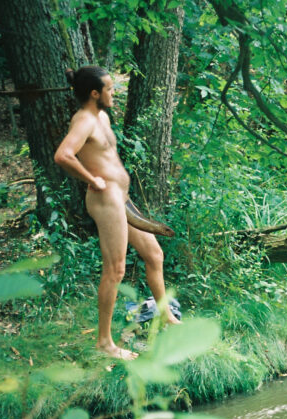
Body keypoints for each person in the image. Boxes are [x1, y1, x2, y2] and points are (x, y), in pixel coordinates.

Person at [53, 65, 179, 360]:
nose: (114, 92)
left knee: (154, 255)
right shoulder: (84, 121)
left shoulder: (103, 117)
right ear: (94, 93)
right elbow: (63, 155)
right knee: (116, 269)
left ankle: (166, 317)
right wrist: (92, 179)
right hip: (106, 199)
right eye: (109, 89)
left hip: (121, 198)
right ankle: (104, 343)